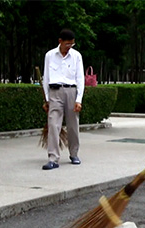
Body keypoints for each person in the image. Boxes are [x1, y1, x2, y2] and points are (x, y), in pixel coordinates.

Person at [42, 29, 84, 170]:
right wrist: (47, 99)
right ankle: (53, 158)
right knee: (53, 125)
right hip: (55, 92)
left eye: (71, 44)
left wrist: (79, 99)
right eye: (67, 44)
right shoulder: (50, 55)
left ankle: (74, 154)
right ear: (60, 41)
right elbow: (46, 77)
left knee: (73, 125)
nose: (69, 47)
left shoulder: (76, 56)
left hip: (71, 91)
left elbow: (80, 78)